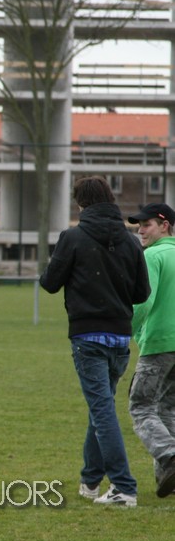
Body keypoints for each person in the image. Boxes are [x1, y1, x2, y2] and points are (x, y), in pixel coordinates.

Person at [39, 176, 150, 508]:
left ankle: (123, 486)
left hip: (87, 336)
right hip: (120, 338)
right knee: (100, 408)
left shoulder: (73, 237)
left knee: (102, 411)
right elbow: (141, 293)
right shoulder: (131, 241)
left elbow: (50, 283)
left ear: (80, 204)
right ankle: (90, 481)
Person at [127, 203, 175, 498]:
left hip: (159, 343)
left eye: (146, 225)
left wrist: (127, 330)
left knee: (141, 406)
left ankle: (170, 456)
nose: (141, 231)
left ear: (164, 225)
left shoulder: (152, 256)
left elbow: (143, 300)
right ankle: (169, 480)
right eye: (139, 226)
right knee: (167, 408)